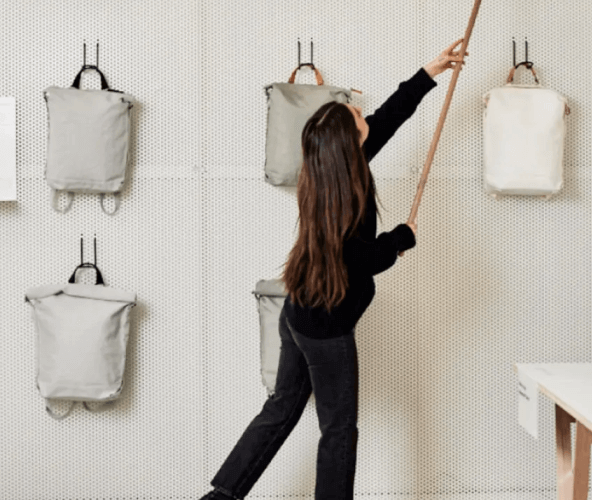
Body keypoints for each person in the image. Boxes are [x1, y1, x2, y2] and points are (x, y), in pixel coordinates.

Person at [200, 38, 469, 500]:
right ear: (350, 143)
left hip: (299, 312)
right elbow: (360, 259)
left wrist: (431, 71)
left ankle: (221, 496)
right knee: (339, 431)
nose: (366, 119)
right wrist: (402, 238)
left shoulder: (328, 168)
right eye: (359, 120)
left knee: (281, 408)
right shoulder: (345, 190)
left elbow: (389, 118)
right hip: (325, 327)